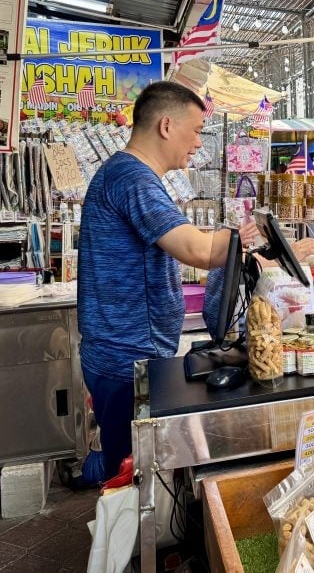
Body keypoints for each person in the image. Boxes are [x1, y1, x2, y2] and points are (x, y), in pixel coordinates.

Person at [77, 82, 260, 483]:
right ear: (165, 125)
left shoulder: (127, 174)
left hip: (123, 348)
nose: (199, 144)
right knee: (128, 479)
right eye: (195, 131)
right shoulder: (133, 178)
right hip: (126, 355)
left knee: (124, 461)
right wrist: (247, 242)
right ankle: (117, 541)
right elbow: (197, 250)